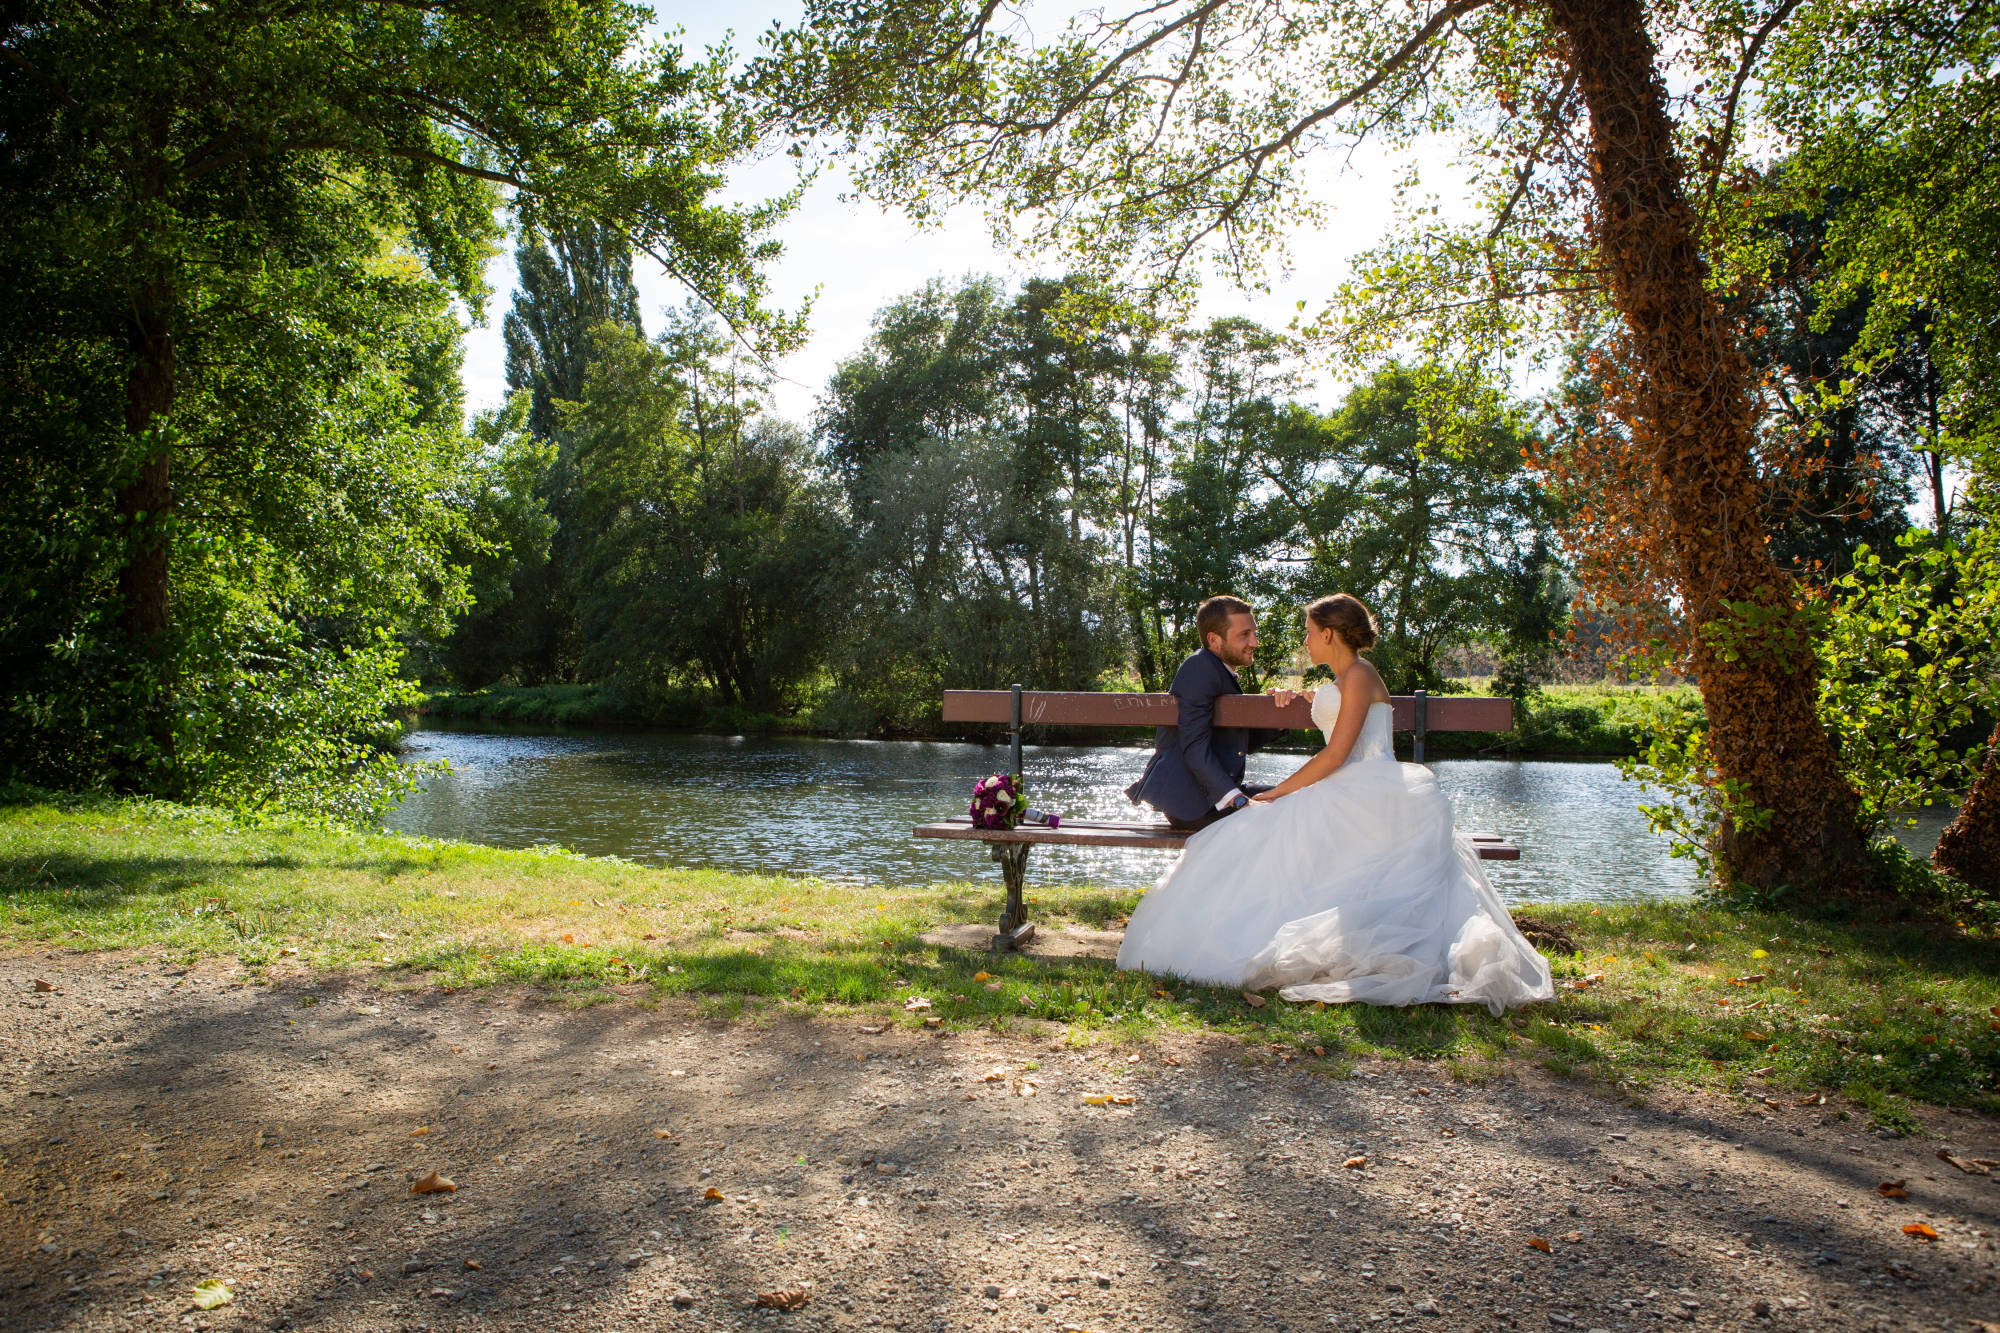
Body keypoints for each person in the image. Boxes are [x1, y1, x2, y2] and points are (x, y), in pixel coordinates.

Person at [1116, 593, 1554, 1016]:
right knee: (1264, 826)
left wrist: (1278, 791)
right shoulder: (1344, 679)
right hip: (1349, 786)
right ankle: (1239, 924)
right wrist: (1295, 705)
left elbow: (1337, 755)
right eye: (1246, 633)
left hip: (1364, 786)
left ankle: (1236, 932)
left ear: (1328, 634)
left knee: (1268, 821)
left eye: (1309, 632)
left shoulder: (1359, 675)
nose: (1304, 641)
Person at [1125, 595, 1284, 831]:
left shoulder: (1218, 670)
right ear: (1214, 640)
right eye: (1245, 634)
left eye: (1254, 633)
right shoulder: (1199, 668)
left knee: (1296, 797)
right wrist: (1237, 800)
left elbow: (1240, 743)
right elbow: (1193, 746)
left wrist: (1278, 711)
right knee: (1288, 812)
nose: (1255, 642)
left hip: (1211, 796)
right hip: (1194, 804)